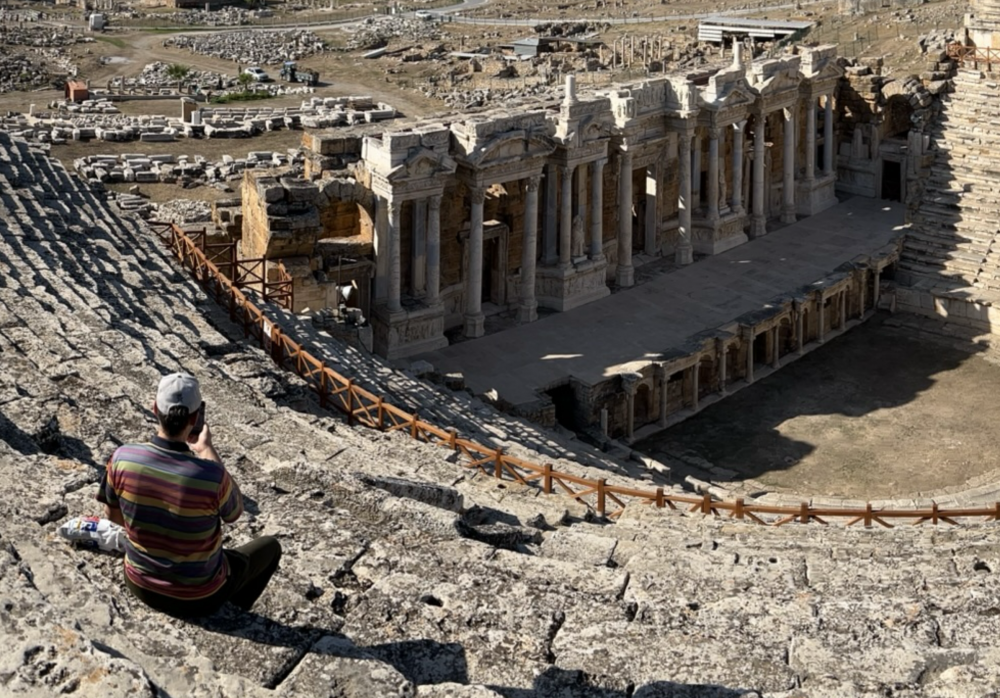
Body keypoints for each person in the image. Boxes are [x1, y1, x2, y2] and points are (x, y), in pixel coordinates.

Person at [98, 373, 281, 618]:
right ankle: (236, 609)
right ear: (195, 418)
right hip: (199, 598)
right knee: (270, 548)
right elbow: (234, 513)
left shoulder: (123, 458)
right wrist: (206, 449)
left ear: (155, 408)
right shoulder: (212, 475)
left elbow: (112, 516)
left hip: (140, 584)